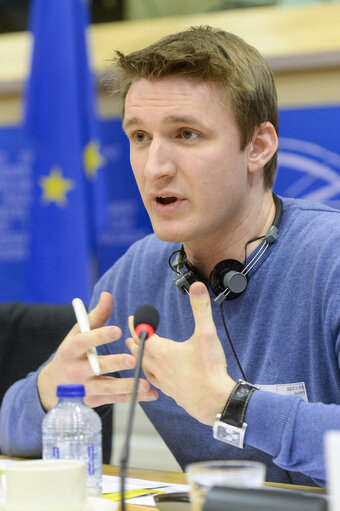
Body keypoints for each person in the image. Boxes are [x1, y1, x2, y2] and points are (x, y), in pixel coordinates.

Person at [1, 25, 339, 487]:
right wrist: (50, 390)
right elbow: (9, 433)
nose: (155, 167)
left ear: (258, 146)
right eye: (140, 137)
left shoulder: (331, 259)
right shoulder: (137, 276)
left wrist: (230, 403)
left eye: (186, 134)